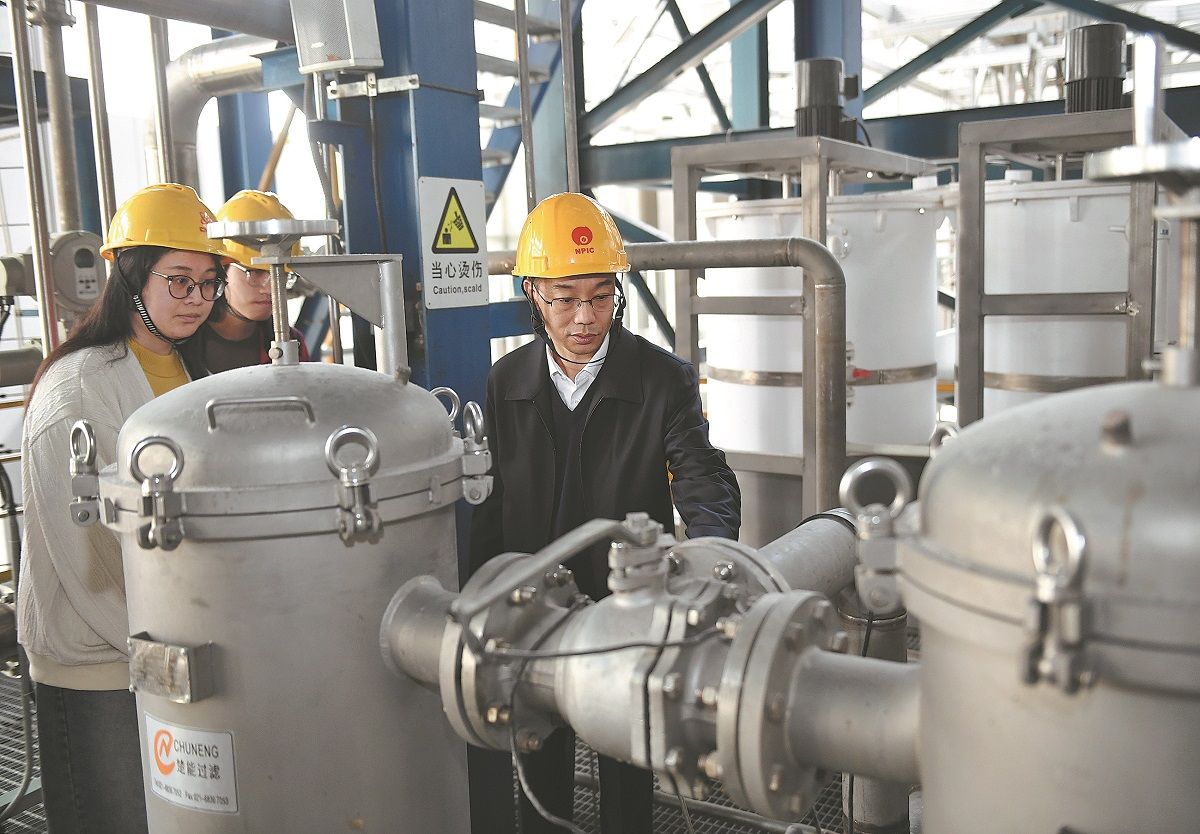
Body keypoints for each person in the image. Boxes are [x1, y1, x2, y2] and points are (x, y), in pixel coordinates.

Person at [469, 192, 741, 833]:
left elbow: (701, 477)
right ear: (533, 295)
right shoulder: (505, 383)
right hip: (537, 606)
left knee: (628, 758)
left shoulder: (662, 379)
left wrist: (712, 560)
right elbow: (490, 504)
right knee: (540, 755)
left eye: (600, 295)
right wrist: (478, 591)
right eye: (565, 299)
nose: (585, 317)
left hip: (628, 606)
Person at [17, 183, 229, 833]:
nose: (197, 299)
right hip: (99, 667)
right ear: (131, 277)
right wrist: (172, 651)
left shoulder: (175, 367)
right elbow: (87, 558)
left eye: (209, 282)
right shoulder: (75, 392)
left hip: (164, 646)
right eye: (179, 281)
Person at [184, 189, 310, 373]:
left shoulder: (293, 346)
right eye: (254, 272)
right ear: (221, 270)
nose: (270, 289)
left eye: (280, 275)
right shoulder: (181, 343)